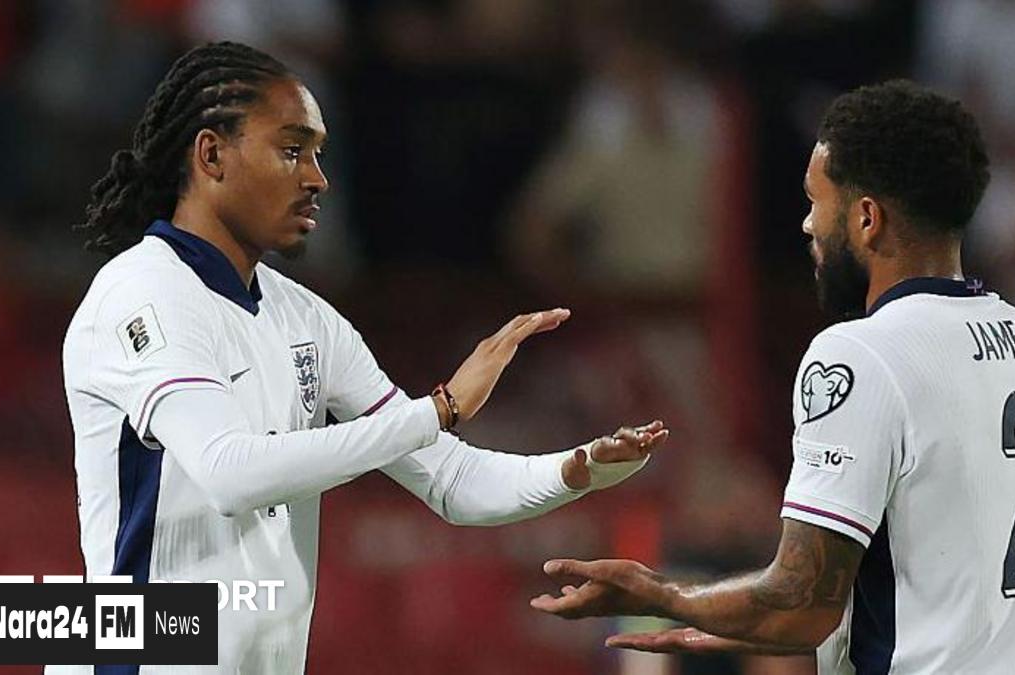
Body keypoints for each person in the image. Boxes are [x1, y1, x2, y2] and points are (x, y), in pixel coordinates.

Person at [59, 41, 669, 674]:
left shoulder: (306, 319)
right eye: (292, 149)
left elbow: (451, 482)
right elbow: (228, 473)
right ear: (212, 154)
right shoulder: (142, 292)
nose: (317, 177)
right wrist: (439, 407)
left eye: (319, 153)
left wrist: (577, 469)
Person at [531, 80, 1015, 674]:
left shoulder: (860, 355)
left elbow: (800, 601)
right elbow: (936, 579)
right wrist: (747, 622)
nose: (806, 224)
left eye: (817, 201)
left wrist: (661, 596)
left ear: (867, 218)